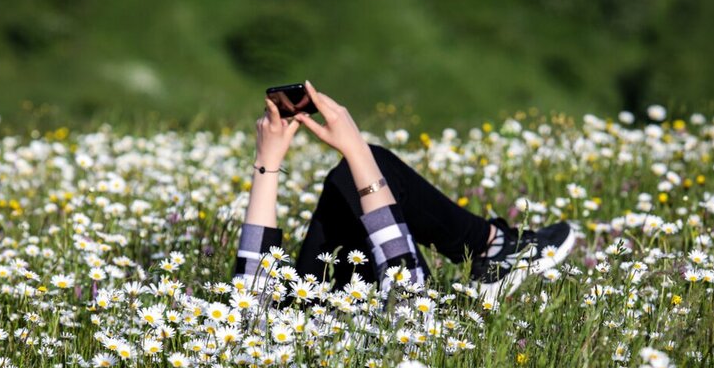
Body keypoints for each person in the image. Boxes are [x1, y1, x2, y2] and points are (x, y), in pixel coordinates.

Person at [231, 81, 576, 306]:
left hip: (308, 318)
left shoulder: (262, 343)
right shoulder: (398, 338)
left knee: (359, 170)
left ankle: (492, 247)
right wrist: (357, 152)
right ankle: (493, 248)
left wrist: (267, 162)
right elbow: (406, 290)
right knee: (367, 165)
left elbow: (250, 304)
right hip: (335, 323)